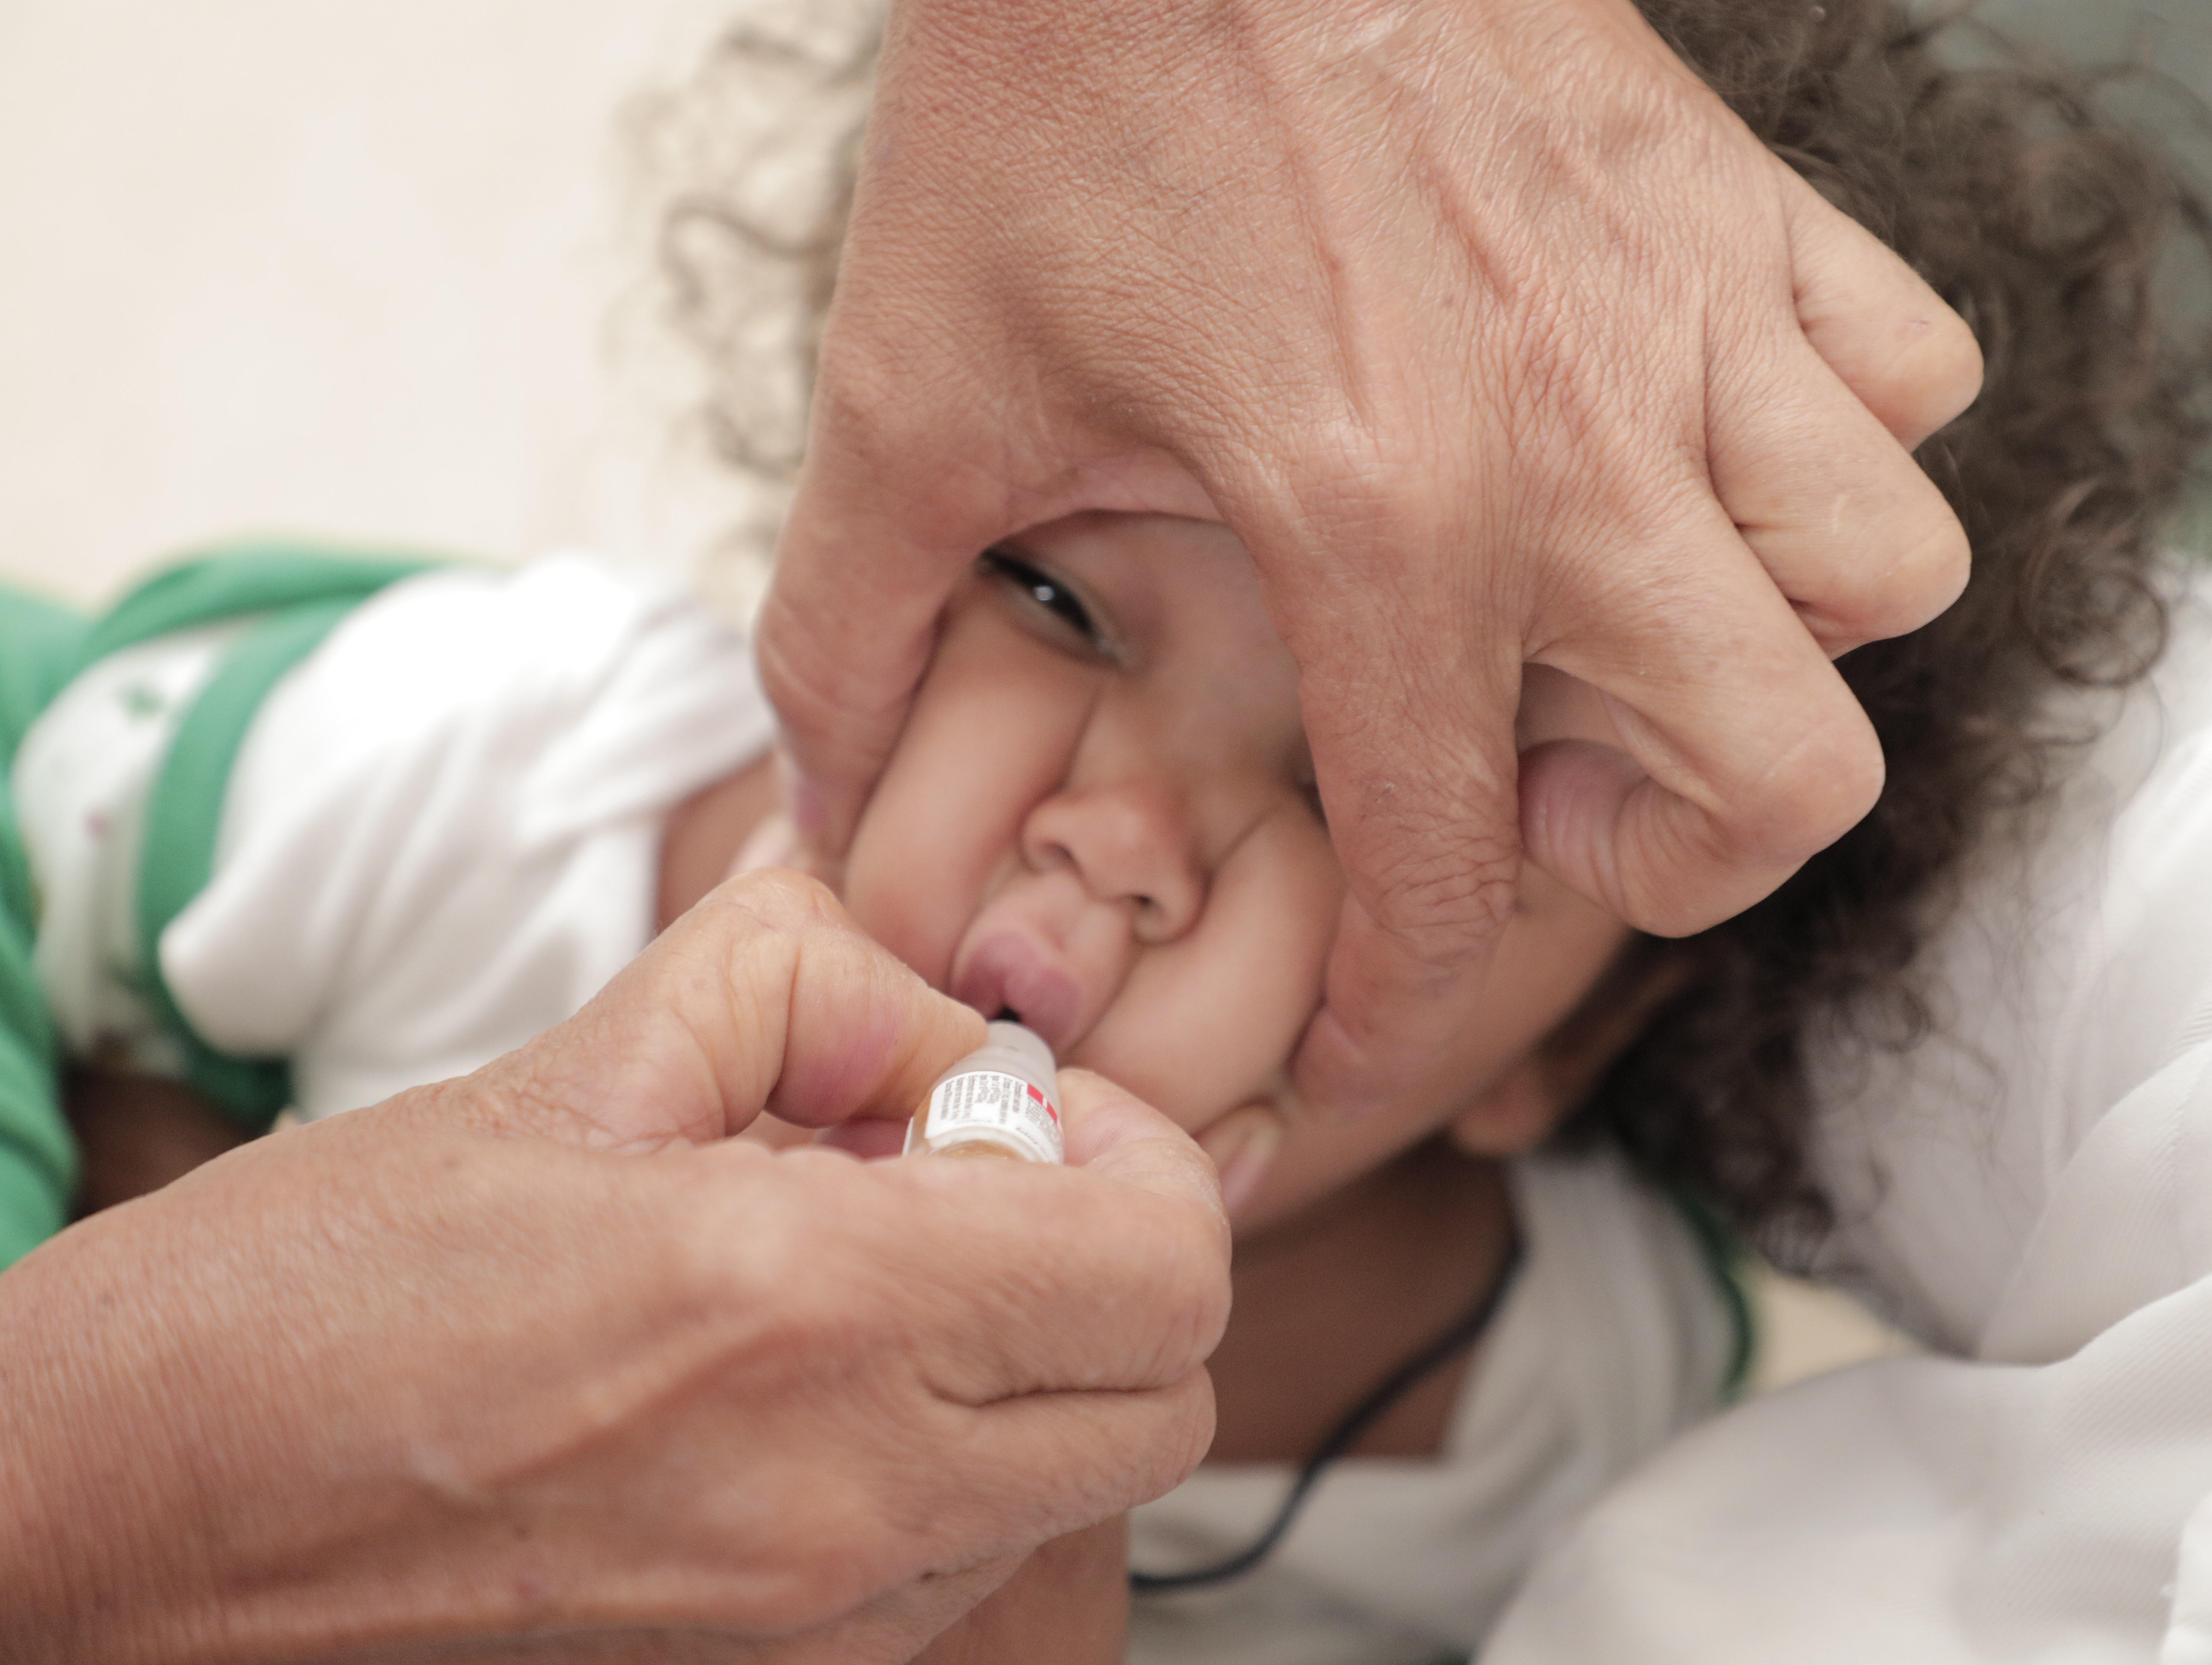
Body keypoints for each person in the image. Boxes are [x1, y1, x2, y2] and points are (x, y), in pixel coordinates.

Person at [756, 0, 1988, 1136]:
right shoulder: (578, 771)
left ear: (1570, 1047)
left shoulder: (1593, 1369)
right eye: (1052, 602)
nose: (1123, 841)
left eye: (1374, 802)